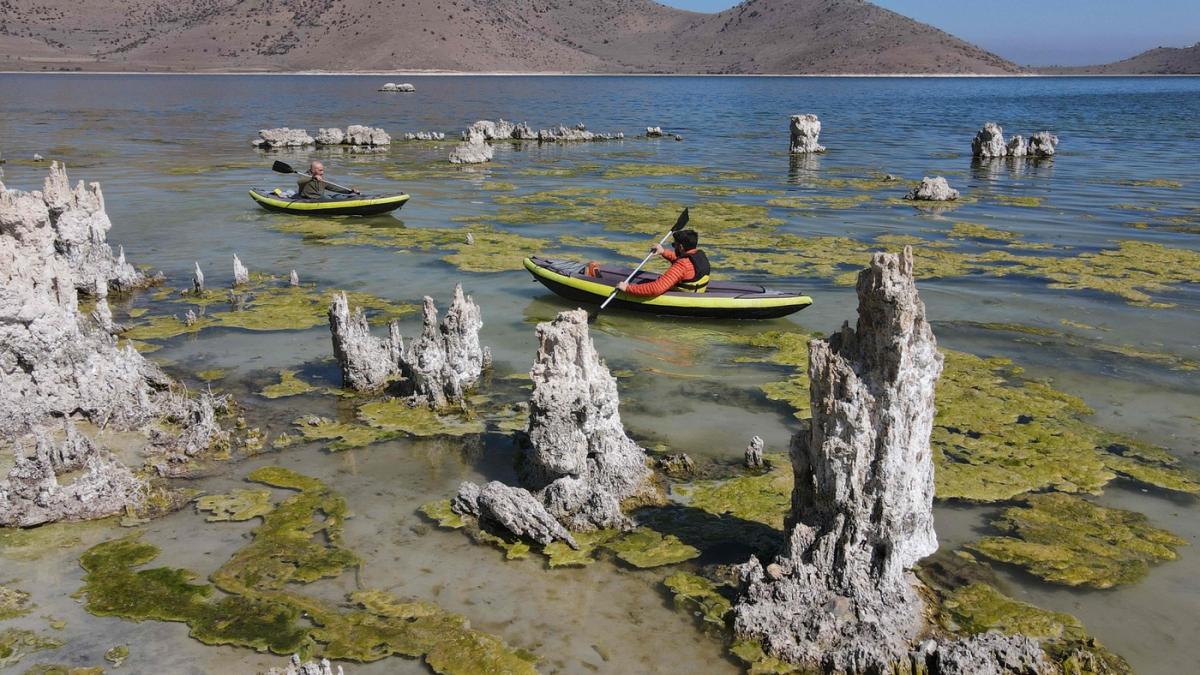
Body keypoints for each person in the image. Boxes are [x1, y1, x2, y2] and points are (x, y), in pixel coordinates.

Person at [616, 228, 710, 297]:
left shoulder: (682, 265)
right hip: (696, 292)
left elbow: (656, 288)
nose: (674, 247)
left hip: (683, 296)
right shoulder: (699, 255)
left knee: (647, 284)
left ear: (681, 247)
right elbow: (681, 260)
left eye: (674, 245)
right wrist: (663, 252)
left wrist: (627, 288)